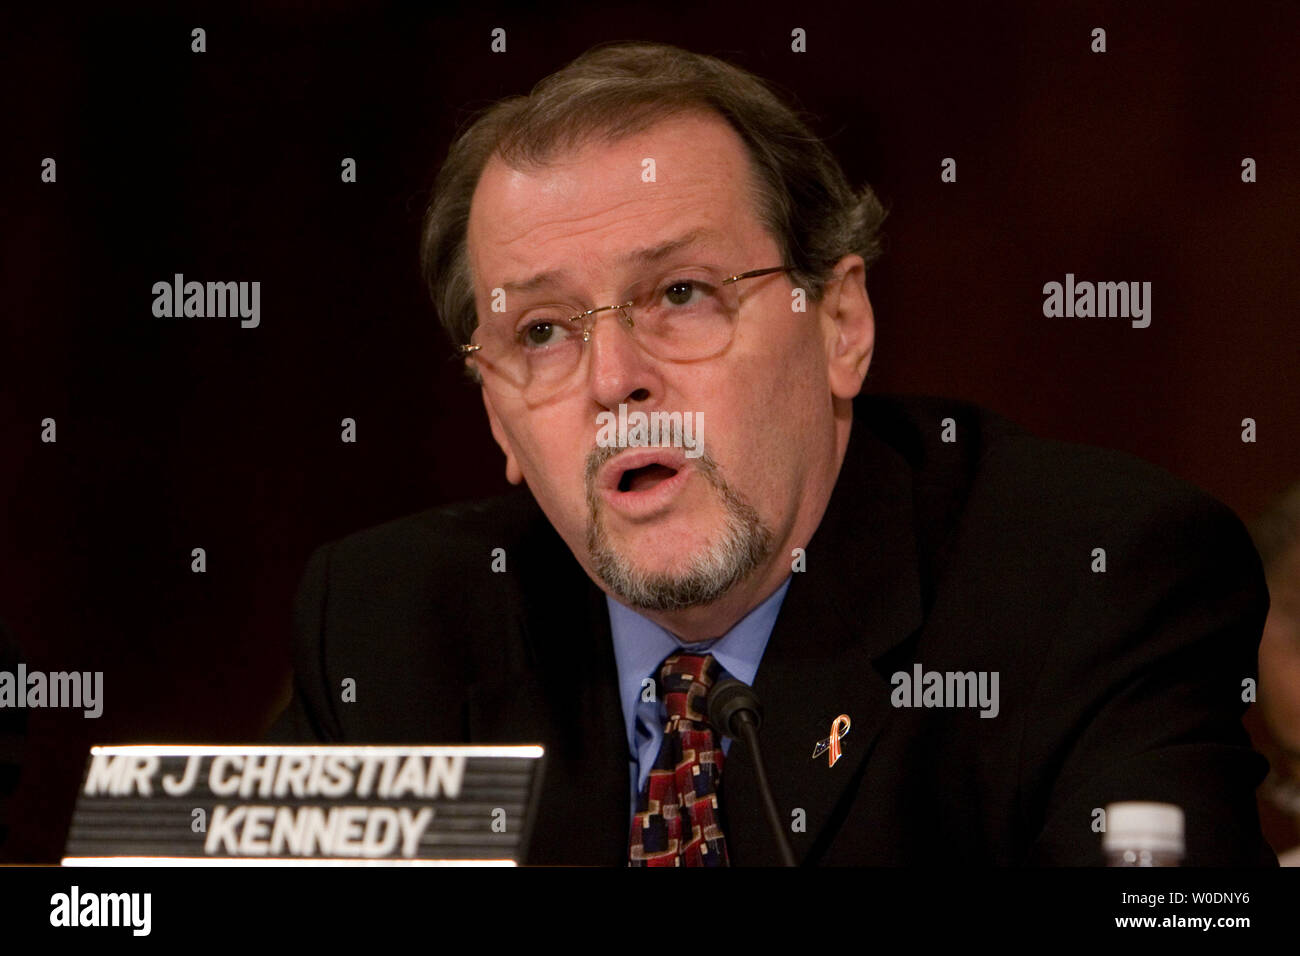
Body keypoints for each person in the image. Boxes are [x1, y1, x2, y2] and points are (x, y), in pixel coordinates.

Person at [268, 41, 1275, 866]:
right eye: (540, 331)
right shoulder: (387, 627)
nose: (613, 376)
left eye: (679, 294)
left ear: (838, 322)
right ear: (497, 418)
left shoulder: (1090, 580)